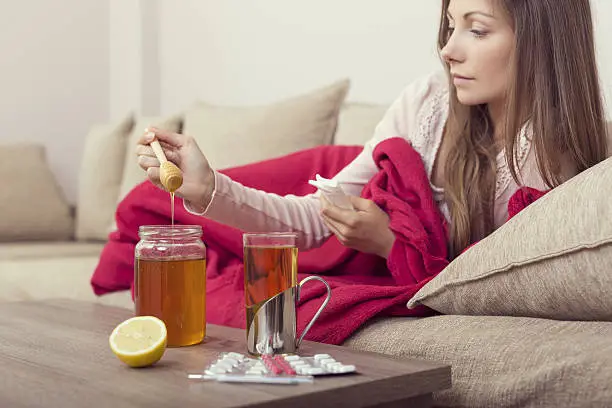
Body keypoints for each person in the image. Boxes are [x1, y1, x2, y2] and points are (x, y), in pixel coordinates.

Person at [136, 0, 608, 260]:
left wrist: (391, 245)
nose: (447, 50)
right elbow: (311, 219)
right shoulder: (426, 105)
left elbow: (500, 283)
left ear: (540, 43)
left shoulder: (553, 161)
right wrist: (208, 187)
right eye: (449, 26)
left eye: (477, 30)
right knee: (145, 215)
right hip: (342, 171)